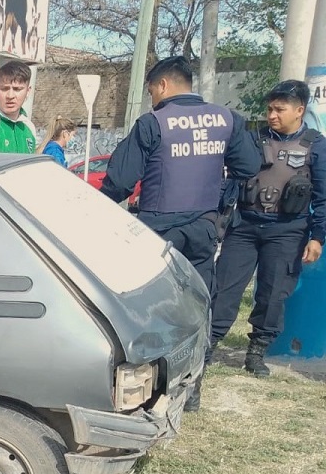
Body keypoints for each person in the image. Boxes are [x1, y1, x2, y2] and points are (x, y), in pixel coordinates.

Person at [99, 55, 260, 295]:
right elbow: (249, 166)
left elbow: (121, 181)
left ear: (163, 85)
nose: (152, 100)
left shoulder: (152, 123)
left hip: (159, 230)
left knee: (154, 298)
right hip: (204, 227)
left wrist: (98, 205)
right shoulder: (227, 119)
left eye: (151, 91)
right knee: (197, 297)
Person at [206, 80, 325, 385]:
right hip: (244, 225)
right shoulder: (252, 139)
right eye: (270, 108)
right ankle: (207, 346)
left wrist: (317, 237)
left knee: (273, 295)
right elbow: (228, 180)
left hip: (287, 230)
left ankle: (256, 353)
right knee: (224, 289)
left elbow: (323, 197)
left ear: (300, 110)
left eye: (279, 109)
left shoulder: (316, 145)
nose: (272, 115)